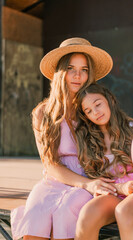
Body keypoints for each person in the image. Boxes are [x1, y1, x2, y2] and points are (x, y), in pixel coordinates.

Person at [11, 37, 113, 240]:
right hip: (54, 181)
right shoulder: (42, 113)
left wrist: (92, 183)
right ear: (60, 72)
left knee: (66, 212)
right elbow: (50, 165)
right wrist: (86, 184)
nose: (78, 75)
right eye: (71, 68)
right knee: (35, 213)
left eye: (84, 69)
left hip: (88, 178)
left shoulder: (92, 109)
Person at [74, 83, 133, 240]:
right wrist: (122, 187)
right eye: (88, 111)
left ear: (110, 100)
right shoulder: (90, 144)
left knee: (125, 211)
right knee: (88, 214)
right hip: (117, 194)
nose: (96, 112)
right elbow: (99, 182)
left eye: (98, 104)